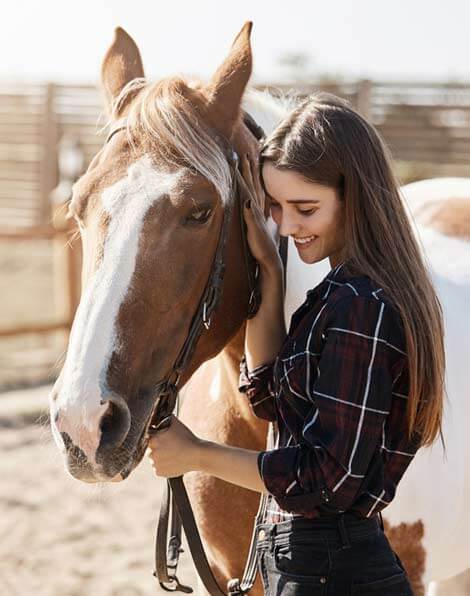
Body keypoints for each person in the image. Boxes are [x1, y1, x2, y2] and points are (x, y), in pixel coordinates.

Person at [147, 93, 445, 594]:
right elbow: (267, 397)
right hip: (316, 566)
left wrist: (197, 453)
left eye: (304, 208)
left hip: (335, 573)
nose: (286, 227)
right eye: (276, 207)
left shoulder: (359, 306)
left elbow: (327, 479)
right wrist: (269, 275)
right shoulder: (335, 294)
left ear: (357, 196)